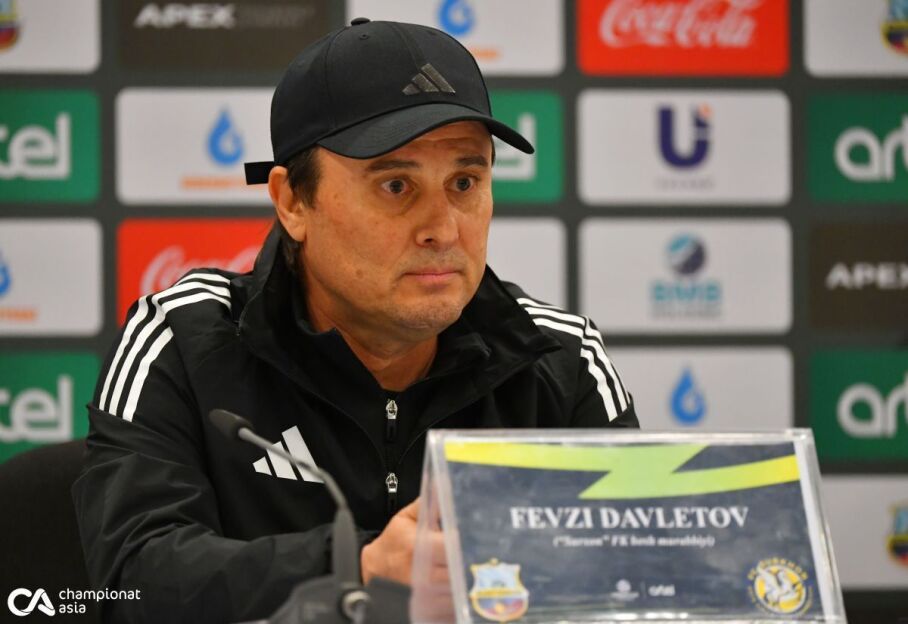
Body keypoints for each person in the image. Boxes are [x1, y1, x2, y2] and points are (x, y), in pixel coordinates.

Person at [72, 18, 638, 623]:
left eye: (464, 182)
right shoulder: (182, 341)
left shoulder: (561, 359)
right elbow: (127, 584)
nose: (443, 229)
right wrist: (354, 566)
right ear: (293, 201)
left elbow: (649, 577)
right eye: (396, 185)